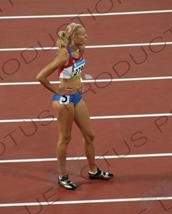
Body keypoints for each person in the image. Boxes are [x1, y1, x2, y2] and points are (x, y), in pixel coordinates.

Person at [36, 22, 114, 190]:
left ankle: (93, 170)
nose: (86, 37)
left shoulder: (81, 49)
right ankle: (62, 176)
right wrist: (58, 89)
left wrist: (80, 83)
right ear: (74, 37)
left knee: (90, 135)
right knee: (65, 138)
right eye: (83, 35)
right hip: (64, 100)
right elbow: (41, 77)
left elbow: (75, 71)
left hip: (77, 97)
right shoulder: (64, 55)